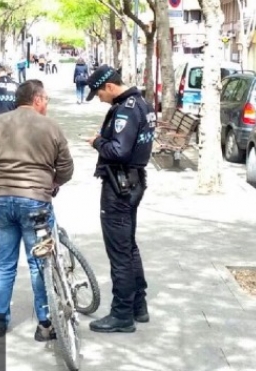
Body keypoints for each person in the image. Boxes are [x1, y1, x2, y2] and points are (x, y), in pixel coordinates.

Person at [0, 79, 74, 340]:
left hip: (0, 199)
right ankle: (44, 324)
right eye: (47, 100)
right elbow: (66, 168)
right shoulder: (50, 127)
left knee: (4, 263)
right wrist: (53, 183)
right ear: (37, 99)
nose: (47, 105)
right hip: (35, 201)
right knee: (39, 263)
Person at [84, 65, 156, 334]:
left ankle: (122, 314)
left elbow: (119, 150)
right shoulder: (143, 104)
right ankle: (139, 305)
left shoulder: (125, 108)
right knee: (129, 247)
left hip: (119, 187)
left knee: (120, 252)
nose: (98, 98)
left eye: (98, 93)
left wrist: (97, 142)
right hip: (133, 182)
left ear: (110, 87)